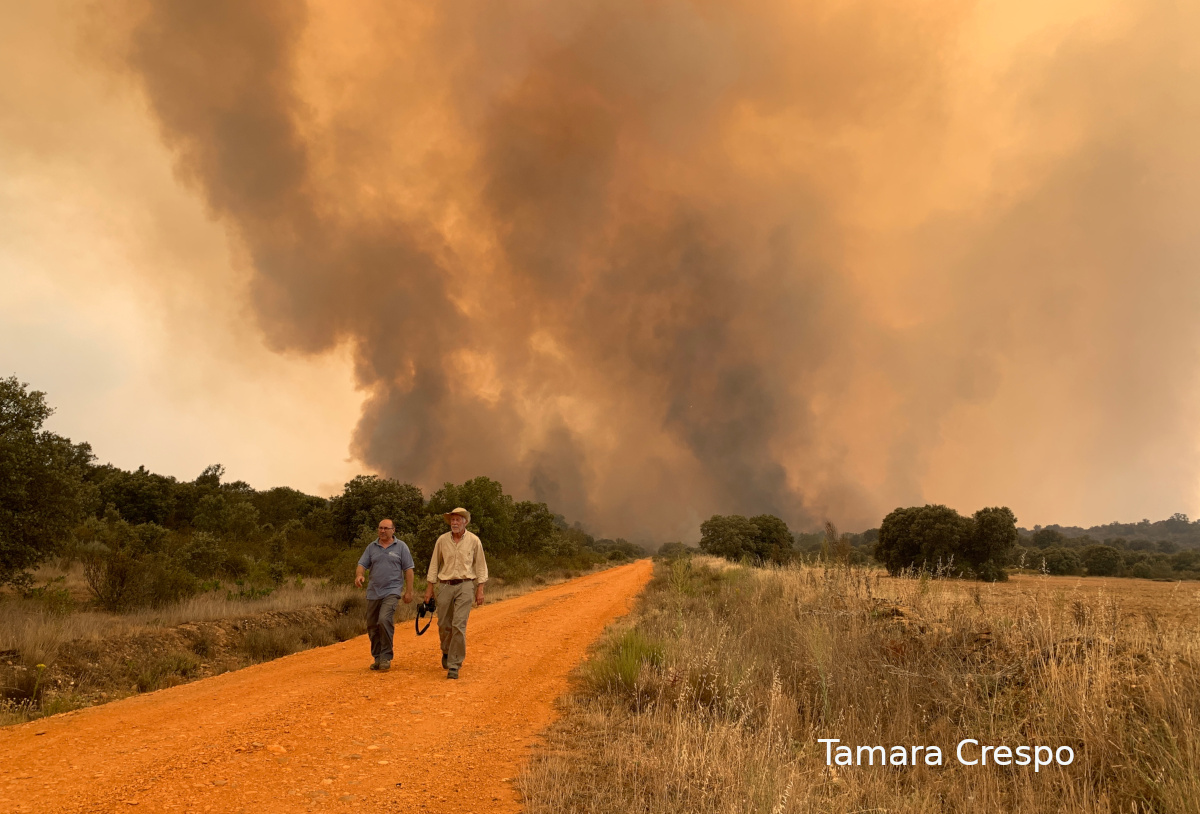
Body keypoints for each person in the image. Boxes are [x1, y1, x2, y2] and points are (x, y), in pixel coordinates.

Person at [423, 507, 488, 679]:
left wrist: (480, 589)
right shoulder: (442, 540)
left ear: (465, 522)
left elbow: (481, 565)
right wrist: (430, 588)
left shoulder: (474, 540)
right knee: (443, 624)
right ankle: (446, 651)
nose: (454, 523)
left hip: (465, 585)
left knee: (459, 625)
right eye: (452, 520)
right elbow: (434, 564)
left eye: (458, 520)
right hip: (445, 585)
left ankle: (454, 664)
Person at [355, 519, 415, 671]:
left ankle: (386, 656)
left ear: (393, 530)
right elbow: (362, 564)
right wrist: (359, 575)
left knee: (384, 619)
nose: (382, 531)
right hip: (373, 591)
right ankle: (377, 657)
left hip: (392, 591)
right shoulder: (372, 547)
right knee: (372, 625)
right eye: (380, 528)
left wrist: (409, 591)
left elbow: (408, 569)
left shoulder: (401, 547)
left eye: (386, 528)